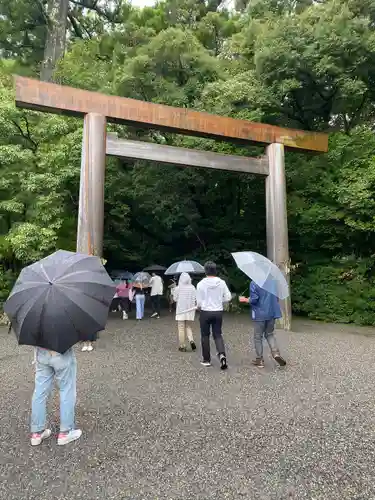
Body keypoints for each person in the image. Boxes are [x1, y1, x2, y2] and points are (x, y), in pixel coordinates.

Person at [30, 347, 82, 446]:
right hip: (62, 352)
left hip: (41, 352)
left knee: (40, 392)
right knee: (67, 390)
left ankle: (37, 433)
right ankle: (65, 432)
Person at [240, 282, 286, 368]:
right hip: (272, 312)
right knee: (269, 334)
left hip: (259, 313)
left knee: (258, 337)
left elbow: (254, 299)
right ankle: (276, 353)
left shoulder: (254, 283)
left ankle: (259, 360)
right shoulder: (272, 282)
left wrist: (245, 299)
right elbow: (276, 298)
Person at [196, 261, 232, 369]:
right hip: (218, 312)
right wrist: (220, 300)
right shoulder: (221, 282)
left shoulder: (200, 284)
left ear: (205, 271)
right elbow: (228, 297)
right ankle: (222, 355)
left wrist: (199, 306)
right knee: (217, 334)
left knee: (205, 335)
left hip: (205, 312)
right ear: (215, 270)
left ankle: (206, 360)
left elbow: (198, 302)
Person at [173, 272, 197, 352]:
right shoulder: (193, 287)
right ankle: (191, 340)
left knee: (181, 328)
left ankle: (182, 346)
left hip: (181, 311)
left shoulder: (178, 288)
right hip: (190, 310)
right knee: (188, 327)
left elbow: (175, 299)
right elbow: (195, 298)